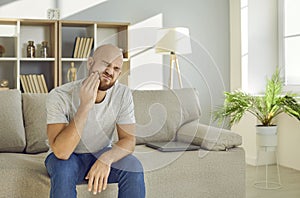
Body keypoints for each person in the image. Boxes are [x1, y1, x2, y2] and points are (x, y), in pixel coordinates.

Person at [45, 44, 145, 198]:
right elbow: (61, 152)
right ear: (90, 63)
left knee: (134, 166)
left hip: (101, 153)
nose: (110, 72)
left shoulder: (123, 94)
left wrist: (107, 159)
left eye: (116, 68)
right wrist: (85, 105)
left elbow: (129, 141)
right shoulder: (59, 95)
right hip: (66, 158)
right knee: (63, 170)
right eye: (106, 64)